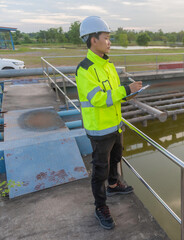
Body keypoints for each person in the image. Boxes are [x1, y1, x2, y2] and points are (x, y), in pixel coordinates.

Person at [75, 16, 142, 230]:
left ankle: (114, 185)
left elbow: (114, 95)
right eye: (106, 37)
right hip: (99, 129)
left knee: (116, 157)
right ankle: (100, 206)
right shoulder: (85, 69)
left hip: (115, 124)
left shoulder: (108, 66)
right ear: (93, 40)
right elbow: (98, 99)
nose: (109, 42)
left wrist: (130, 94)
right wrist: (125, 90)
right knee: (100, 169)